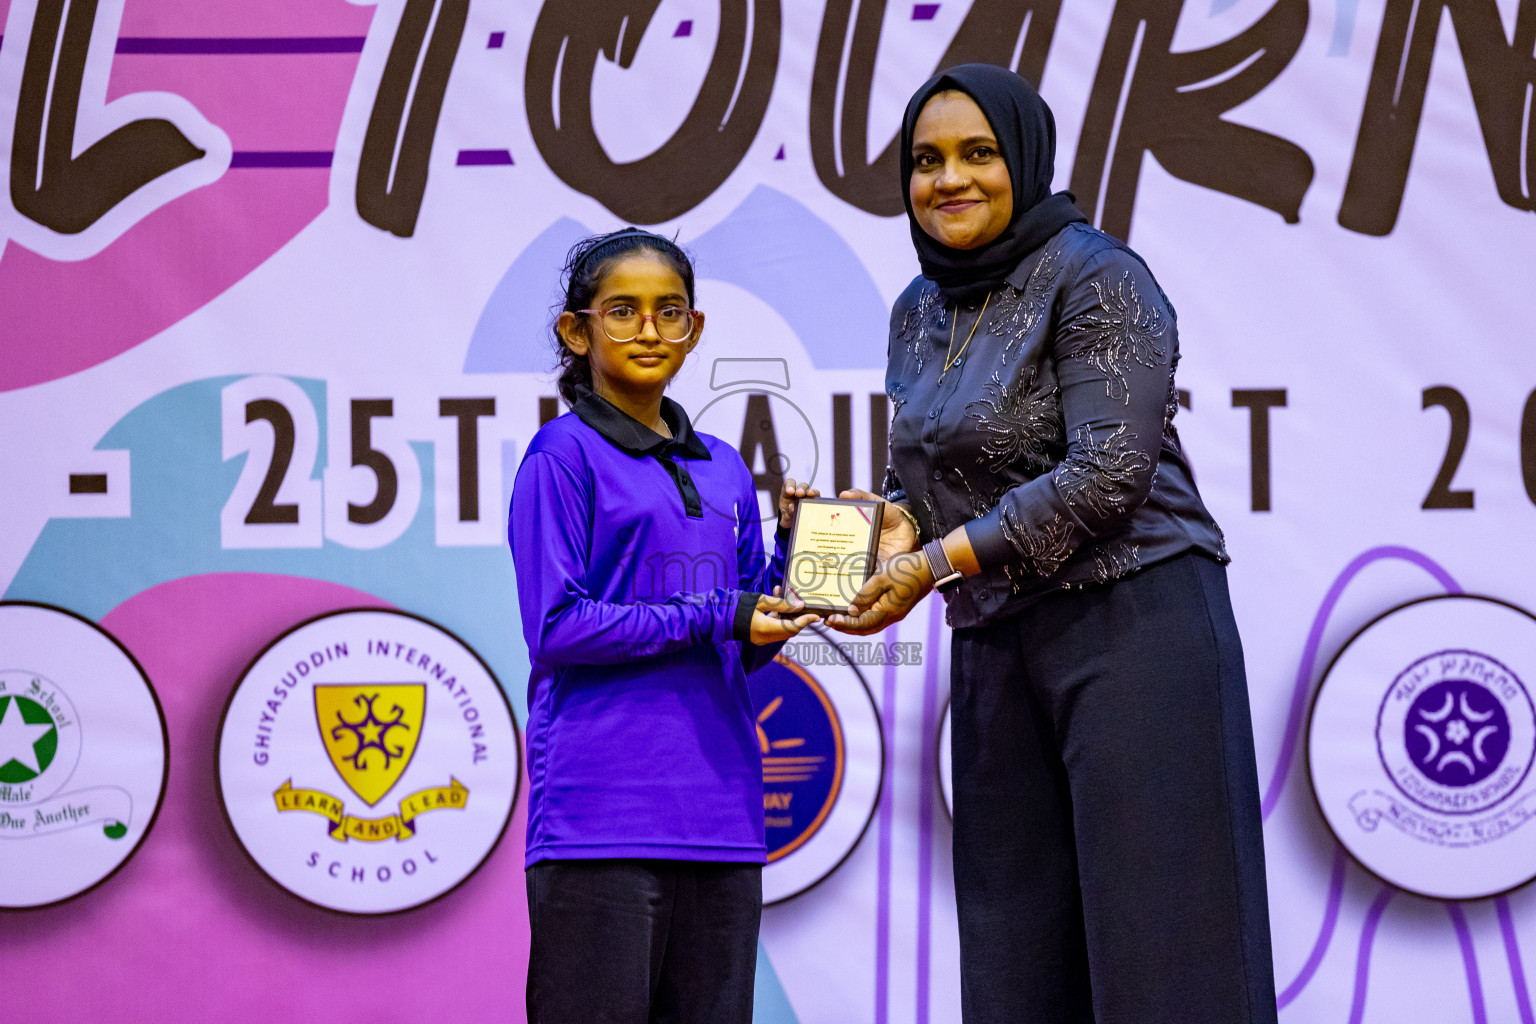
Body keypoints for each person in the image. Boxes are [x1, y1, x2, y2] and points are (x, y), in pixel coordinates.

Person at [826, 65, 1278, 1023]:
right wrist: (890, 525)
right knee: (1014, 955)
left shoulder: (1099, 274)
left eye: (977, 154)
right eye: (926, 160)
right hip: (995, 642)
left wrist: (934, 562)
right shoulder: (918, 306)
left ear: (1024, 160)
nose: (950, 180)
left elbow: (1108, 477)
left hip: (1136, 627)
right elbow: (930, 474)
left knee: (1168, 951)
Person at [509, 228, 819, 1024]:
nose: (649, 330)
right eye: (623, 311)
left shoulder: (722, 463)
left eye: (668, 311)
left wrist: (797, 558)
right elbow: (557, 626)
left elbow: (743, 642)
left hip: (721, 823)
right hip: (597, 822)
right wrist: (720, 612)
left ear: (696, 329)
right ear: (576, 332)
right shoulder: (561, 456)